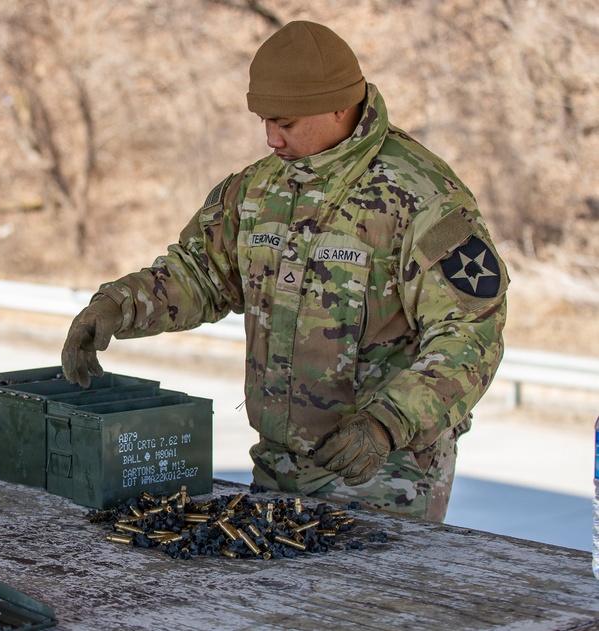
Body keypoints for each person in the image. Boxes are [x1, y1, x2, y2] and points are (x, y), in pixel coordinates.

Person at [60, 20, 507, 522]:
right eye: (265, 121)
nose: (272, 138)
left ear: (339, 106)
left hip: (383, 472)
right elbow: (201, 274)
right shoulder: (258, 189)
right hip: (277, 467)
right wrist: (117, 306)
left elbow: (470, 334)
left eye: (286, 123)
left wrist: (387, 422)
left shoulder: (421, 199)